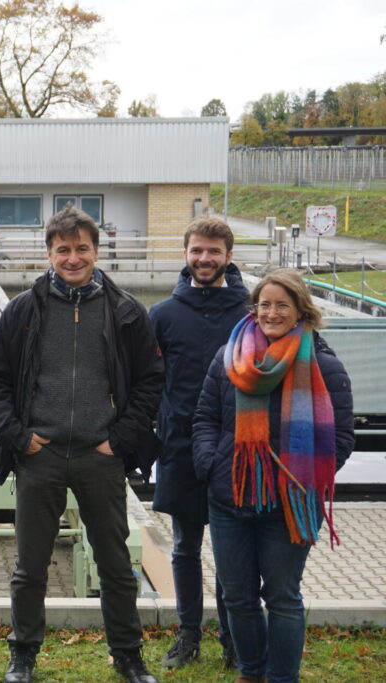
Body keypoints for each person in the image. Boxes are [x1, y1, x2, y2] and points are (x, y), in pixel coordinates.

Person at [0, 206, 163, 683]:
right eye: (63, 249)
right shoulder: (23, 311)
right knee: (30, 568)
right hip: (38, 456)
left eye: (82, 248)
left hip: (99, 455)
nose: (73, 258)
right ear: (49, 253)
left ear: (96, 251)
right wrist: (19, 438)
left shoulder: (126, 311)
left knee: (116, 565)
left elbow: (150, 381)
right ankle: (22, 653)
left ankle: (127, 654)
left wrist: (121, 438)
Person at [193, 269, 354, 683]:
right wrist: (212, 465)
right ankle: (251, 672)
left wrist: (304, 480)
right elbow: (206, 417)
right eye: (265, 304)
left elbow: (341, 438)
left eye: (282, 305)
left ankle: (283, 677)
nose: (271, 312)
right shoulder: (229, 357)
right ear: (254, 307)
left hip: (290, 502)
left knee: (282, 597)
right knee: (238, 597)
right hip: (230, 498)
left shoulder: (323, 364)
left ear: (301, 309)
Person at [148, 217, 248, 669]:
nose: (204, 259)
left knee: (233, 553)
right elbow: (148, 384)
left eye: (213, 252)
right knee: (185, 547)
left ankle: (234, 638)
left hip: (238, 450)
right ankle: (189, 634)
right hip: (181, 448)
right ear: (185, 255)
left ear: (228, 255)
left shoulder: (250, 313)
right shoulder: (163, 314)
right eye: (196, 251)